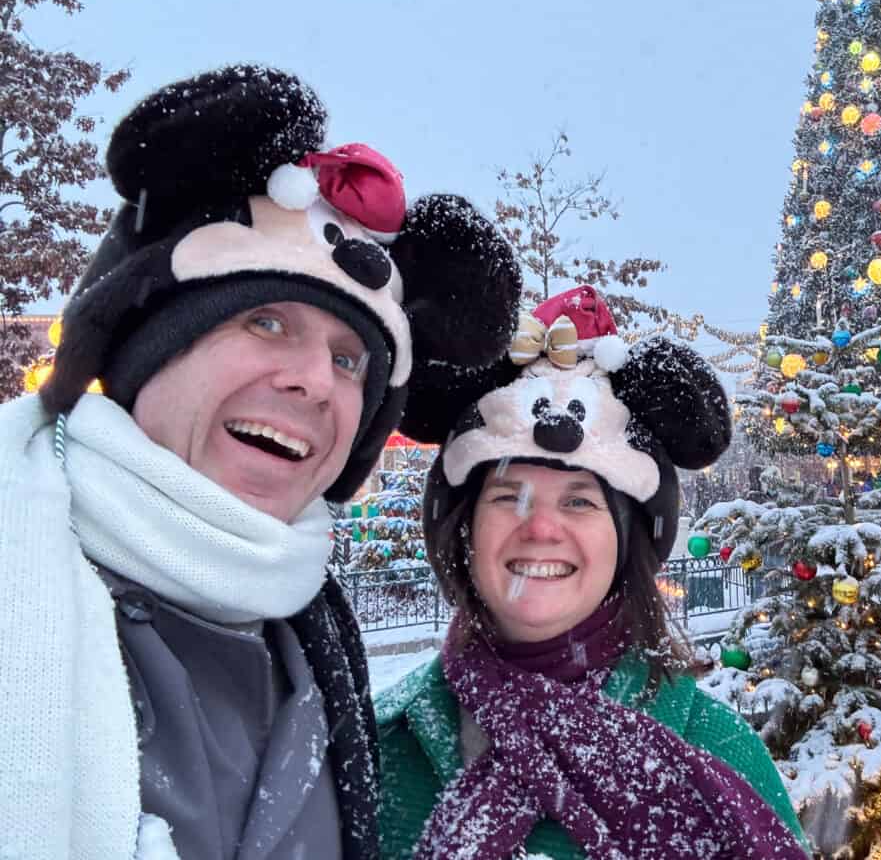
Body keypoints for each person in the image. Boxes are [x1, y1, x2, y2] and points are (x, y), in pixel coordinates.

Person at [0, 65, 521, 860]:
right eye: (266, 322)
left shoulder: (311, 636)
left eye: (348, 360)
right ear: (146, 347)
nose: (314, 380)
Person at [375, 286, 809, 859]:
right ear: (465, 530)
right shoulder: (376, 747)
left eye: (579, 501)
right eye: (507, 496)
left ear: (626, 542)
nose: (541, 528)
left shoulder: (721, 749)